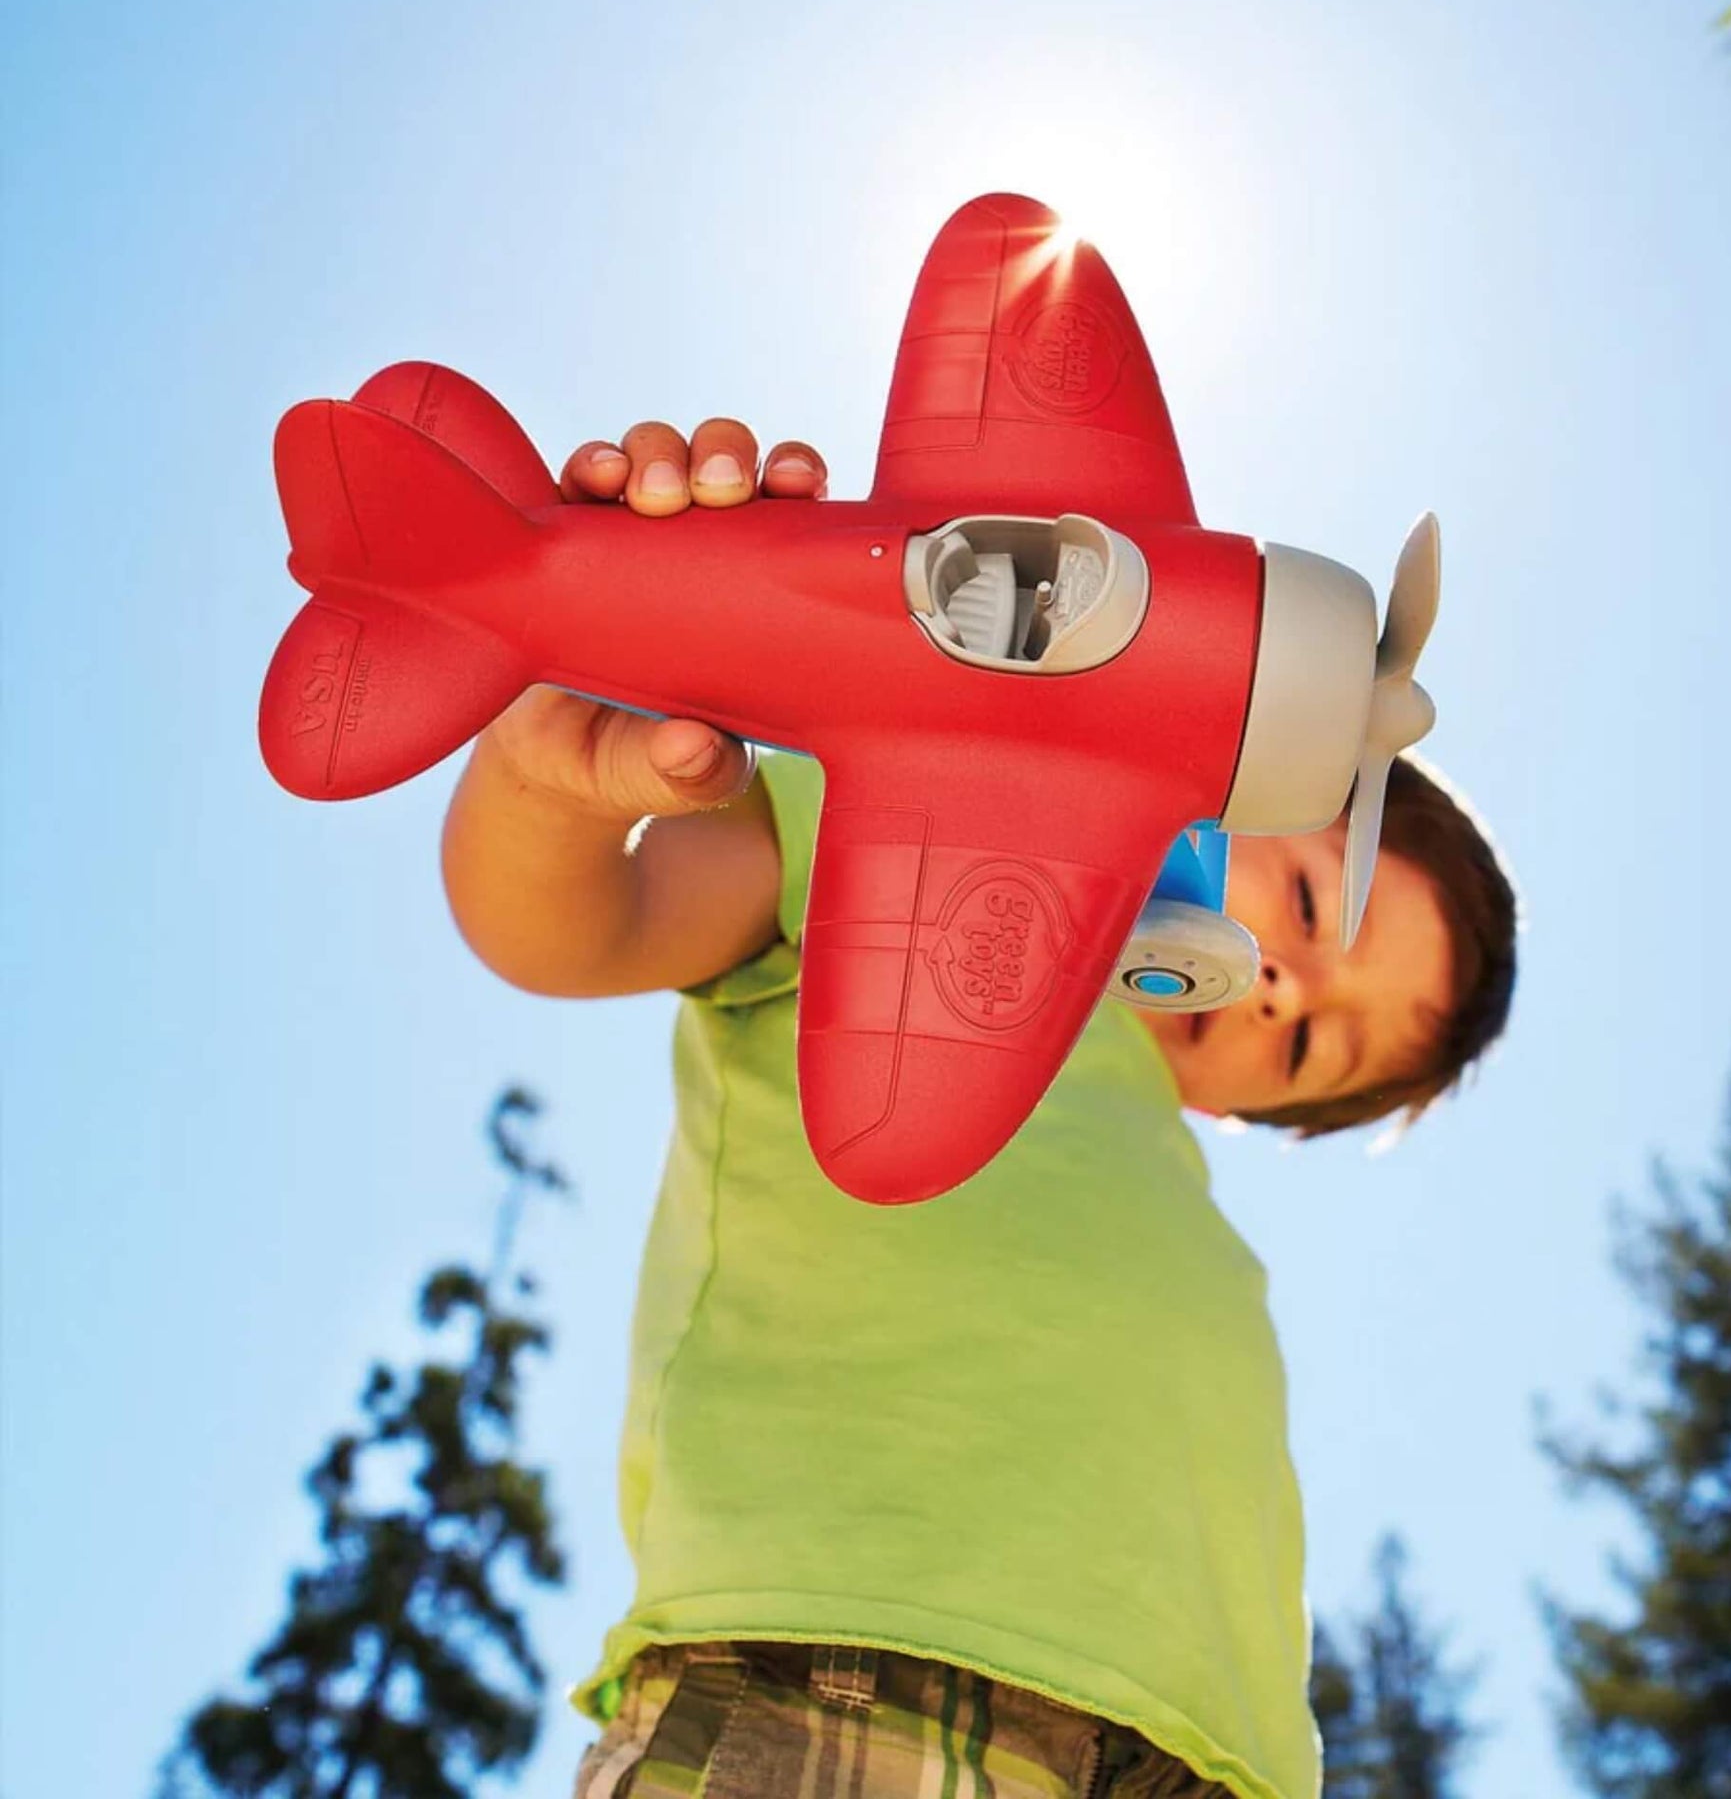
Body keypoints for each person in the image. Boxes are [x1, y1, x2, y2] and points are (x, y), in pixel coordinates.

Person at [441, 417, 1518, 1799]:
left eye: (1310, 1043)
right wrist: (550, 781)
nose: (1274, 994)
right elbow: (581, 930)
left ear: (1255, 1112)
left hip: (1204, 1762)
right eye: (1310, 904)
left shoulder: (1178, 1207)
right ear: (1243, 775)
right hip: (834, 1665)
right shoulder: (927, 850)